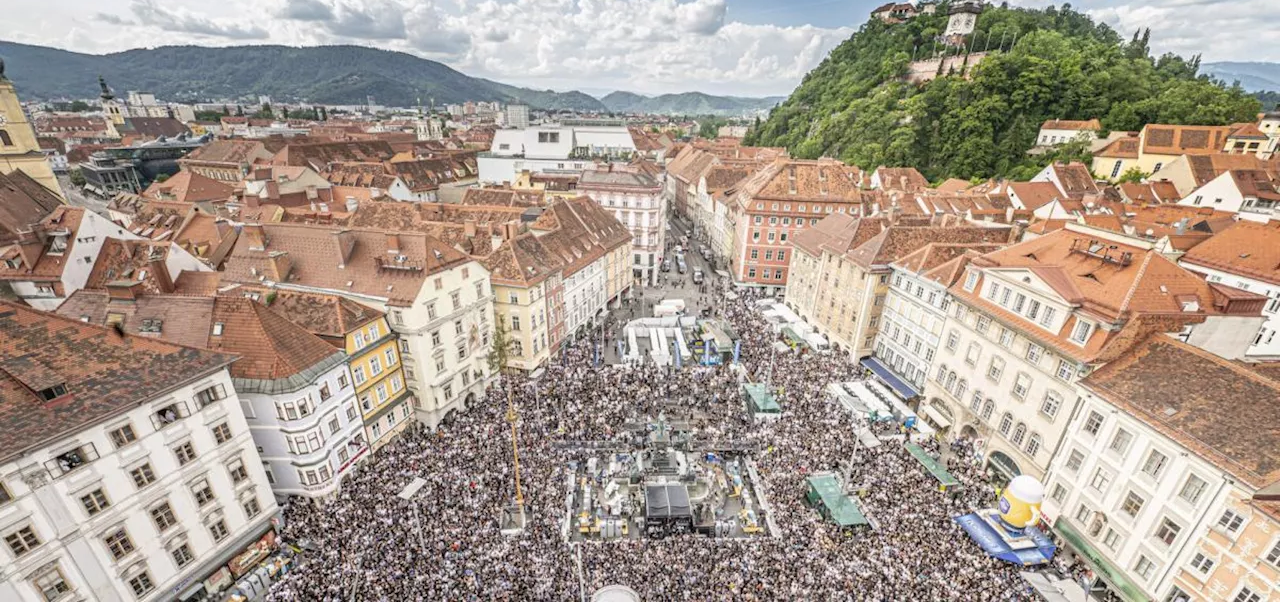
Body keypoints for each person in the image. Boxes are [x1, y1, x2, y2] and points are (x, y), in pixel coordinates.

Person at [265, 288, 1038, 602]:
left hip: (654, 458)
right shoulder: (687, 467)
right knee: (677, 483)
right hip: (666, 460)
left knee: (661, 481)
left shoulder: (642, 459)